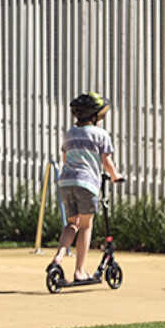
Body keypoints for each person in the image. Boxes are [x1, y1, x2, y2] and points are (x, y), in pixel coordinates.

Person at [46, 92, 123, 284]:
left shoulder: (70, 133)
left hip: (66, 182)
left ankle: (58, 259)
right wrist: (115, 176)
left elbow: (65, 158)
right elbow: (106, 160)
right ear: (95, 116)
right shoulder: (100, 134)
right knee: (86, 225)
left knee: (71, 224)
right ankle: (79, 271)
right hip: (86, 183)